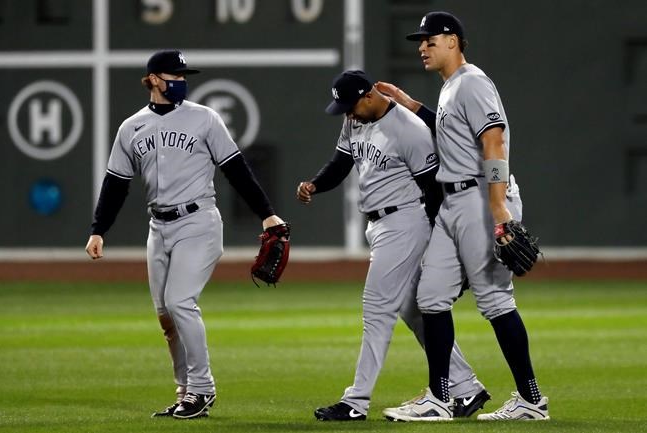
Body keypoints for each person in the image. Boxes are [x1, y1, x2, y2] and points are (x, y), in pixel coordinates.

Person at [84, 49, 286, 420]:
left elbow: (237, 170)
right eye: (175, 76)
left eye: (183, 76)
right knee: (165, 315)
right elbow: (116, 184)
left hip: (198, 223)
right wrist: (99, 230)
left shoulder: (205, 119)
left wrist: (267, 214)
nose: (181, 81)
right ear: (155, 79)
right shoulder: (131, 127)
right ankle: (185, 391)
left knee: (179, 302)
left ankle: (203, 389)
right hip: (157, 228)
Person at [380, 12, 550, 421]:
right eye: (420, 41)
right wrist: (409, 104)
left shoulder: (472, 82)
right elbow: (450, 134)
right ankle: (440, 398)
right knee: (430, 297)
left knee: (494, 300)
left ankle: (531, 400)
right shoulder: (451, 88)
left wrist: (498, 207)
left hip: (480, 200)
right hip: (454, 203)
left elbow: (494, 142)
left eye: (430, 40)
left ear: (453, 41)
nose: (422, 47)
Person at [297, 69, 490, 421]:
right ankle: (466, 387)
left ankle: (356, 401)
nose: (347, 113)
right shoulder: (355, 119)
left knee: (376, 309)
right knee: (411, 310)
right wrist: (315, 184)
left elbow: (434, 191)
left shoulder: (410, 130)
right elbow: (341, 163)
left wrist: (443, 245)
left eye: (351, 105)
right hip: (380, 224)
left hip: (406, 221)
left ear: (369, 95)